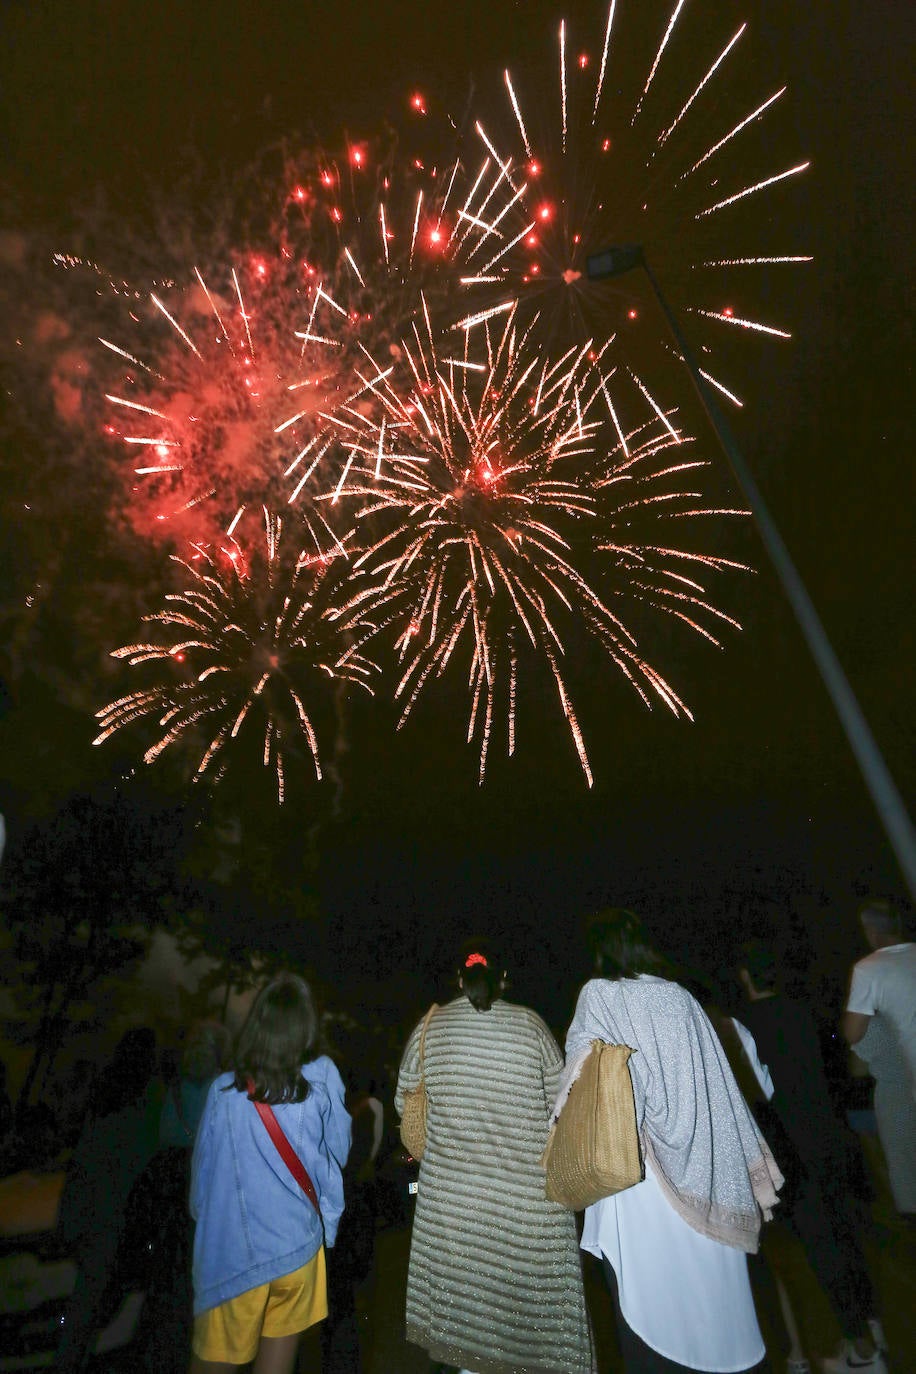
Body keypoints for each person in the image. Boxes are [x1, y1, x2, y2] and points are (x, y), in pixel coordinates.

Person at [563, 910, 781, 1374]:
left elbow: (577, 1088)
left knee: (653, 1322)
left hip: (638, 1183)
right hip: (707, 1172)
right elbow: (716, 1092)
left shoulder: (597, 994)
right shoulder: (679, 998)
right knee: (715, 1316)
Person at [396, 941, 595, 1374]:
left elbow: (405, 1102)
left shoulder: (432, 1027)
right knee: (529, 1335)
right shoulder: (530, 1025)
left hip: (454, 1207)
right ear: (504, 980)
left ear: (458, 980)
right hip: (527, 1207)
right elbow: (560, 1104)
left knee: (467, 1327)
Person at [730, 941, 886, 1374]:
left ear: (746, 978)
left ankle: (862, 1346)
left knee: (821, 1246)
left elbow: (754, 1096)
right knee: (849, 1233)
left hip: (791, 1148)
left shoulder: (742, 1026)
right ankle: (870, 1327)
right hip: (832, 1137)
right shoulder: (806, 1012)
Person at [189, 974, 351, 1374]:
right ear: (306, 1027)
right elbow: (340, 1154)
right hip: (297, 1251)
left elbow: (202, 1187)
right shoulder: (320, 1080)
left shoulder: (223, 1092)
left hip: (235, 1255)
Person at [55, 1027, 163, 1374]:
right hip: (115, 1217)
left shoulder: (104, 1095)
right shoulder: (145, 1105)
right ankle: (74, 1361)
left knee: (80, 1304)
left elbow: (83, 1158)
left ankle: (68, 1360)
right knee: (92, 1306)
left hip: (89, 1209)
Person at [841, 899, 916, 1219]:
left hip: (906, 1077)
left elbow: (853, 1033)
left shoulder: (869, 968)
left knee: (902, 1158)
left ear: (871, 931)